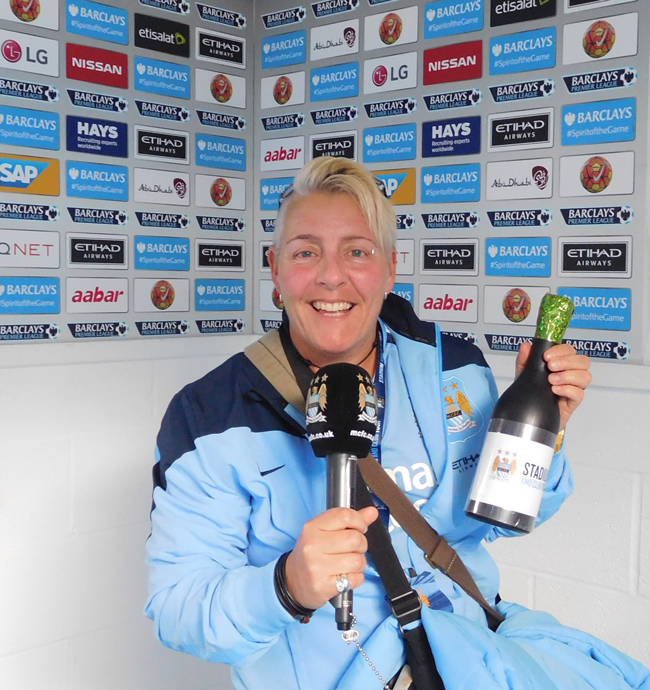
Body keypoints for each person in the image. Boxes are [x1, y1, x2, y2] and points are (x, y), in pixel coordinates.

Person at [145, 158, 648, 690]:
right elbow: (179, 609)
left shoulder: (452, 366)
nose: (331, 275)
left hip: (471, 662)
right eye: (306, 251)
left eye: (357, 251)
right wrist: (285, 586)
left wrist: (545, 434)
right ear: (275, 267)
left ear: (389, 267)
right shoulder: (206, 415)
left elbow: (500, 519)